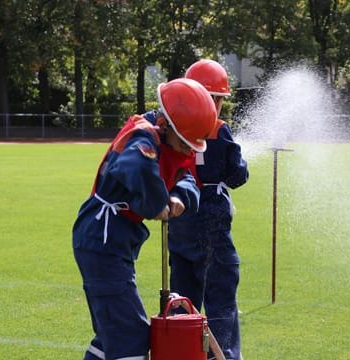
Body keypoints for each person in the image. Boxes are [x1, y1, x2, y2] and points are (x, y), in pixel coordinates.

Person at [72, 77, 217, 360]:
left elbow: (188, 179)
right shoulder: (142, 138)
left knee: (112, 334)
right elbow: (134, 168)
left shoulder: (174, 144)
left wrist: (179, 198)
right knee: (129, 336)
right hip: (102, 237)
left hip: (112, 241)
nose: (189, 150)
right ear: (167, 125)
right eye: (186, 142)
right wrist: (157, 204)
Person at [168, 59, 249, 360]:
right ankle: (221, 356)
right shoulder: (218, 129)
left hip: (180, 221)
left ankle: (181, 353)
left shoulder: (174, 128)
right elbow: (236, 176)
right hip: (212, 224)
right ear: (212, 98)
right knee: (221, 299)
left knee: (182, 301)